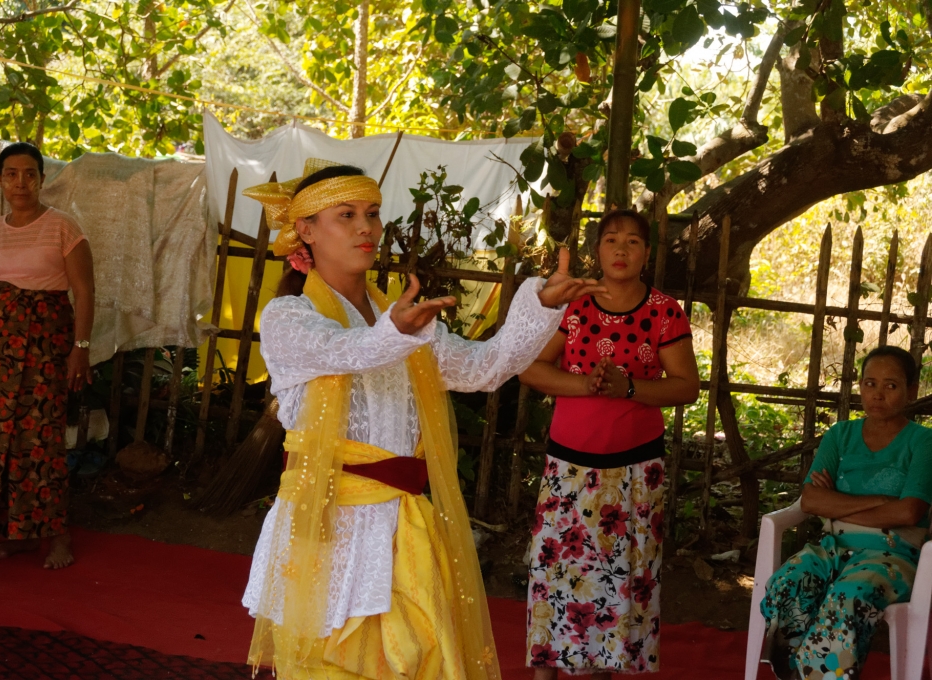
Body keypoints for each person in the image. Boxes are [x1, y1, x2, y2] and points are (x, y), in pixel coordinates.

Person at [240, 159, 606, 679]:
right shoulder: (290, 318)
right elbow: (349, 350)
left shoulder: (402, 320)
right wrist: (399, 331)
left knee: (414, 662)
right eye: (345, 215)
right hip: (329, 527)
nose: (366, 227)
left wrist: (541, 305)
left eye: (371, 213)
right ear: (305, 230)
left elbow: (482, 369)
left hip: (403, 526)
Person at [518, 208, 700, 677]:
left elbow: (686, 387)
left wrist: (631, 389)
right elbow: (529, 366)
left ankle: (604, 668)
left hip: (635, 472)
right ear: (596, 249)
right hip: (569, 465)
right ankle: (545, 669)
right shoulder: (572, 305)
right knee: (554, 571)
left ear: (647, 253)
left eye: (633, 241)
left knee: (620, 579)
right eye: (611, 240)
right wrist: (587, 385)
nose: (621, 249)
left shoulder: (664, 311)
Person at [0, 142, 94, 570]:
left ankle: (56, 536)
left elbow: (84, 292)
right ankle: (14, 532)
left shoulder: (64, 227)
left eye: (29, 174)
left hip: (45, 349)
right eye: (11, 174)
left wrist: (80, 349)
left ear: (42, 179)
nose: (20, 182)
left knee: (40, 440)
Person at [760, 345, 932, 680]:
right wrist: (882, 502)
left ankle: (816, 675)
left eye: (891, 385)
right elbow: (810, 501)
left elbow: (910, 512)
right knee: (788, 581)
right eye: (869, 384)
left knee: (849, 595)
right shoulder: (840, 435)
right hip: (831, 548)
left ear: (912, 390)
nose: (877, 394)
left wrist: (837, 503)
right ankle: (796, 669)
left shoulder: (923, 442)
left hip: (892, 555)